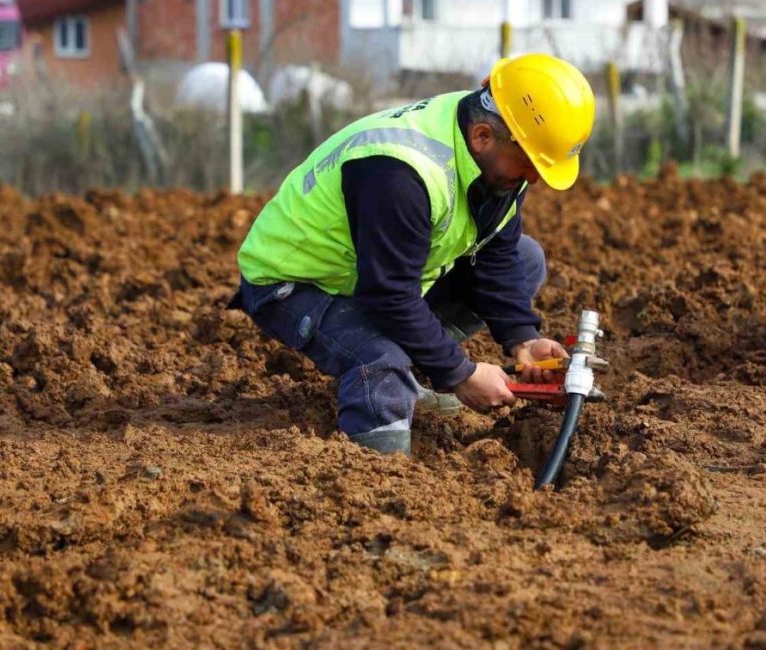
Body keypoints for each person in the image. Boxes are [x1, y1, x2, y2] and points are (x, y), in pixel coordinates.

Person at [229, 53, 595, 455]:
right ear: (483, 137)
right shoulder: (400, 173)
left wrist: (522, 338)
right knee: (380, 362)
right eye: (530, 164)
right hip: (295, 282)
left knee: (526, 259)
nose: (533, 178)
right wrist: (460, 373)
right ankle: (378, 467)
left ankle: (414, 374)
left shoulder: (501, 150)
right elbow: (388, 296)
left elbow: (496, 254)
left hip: (376, 276)